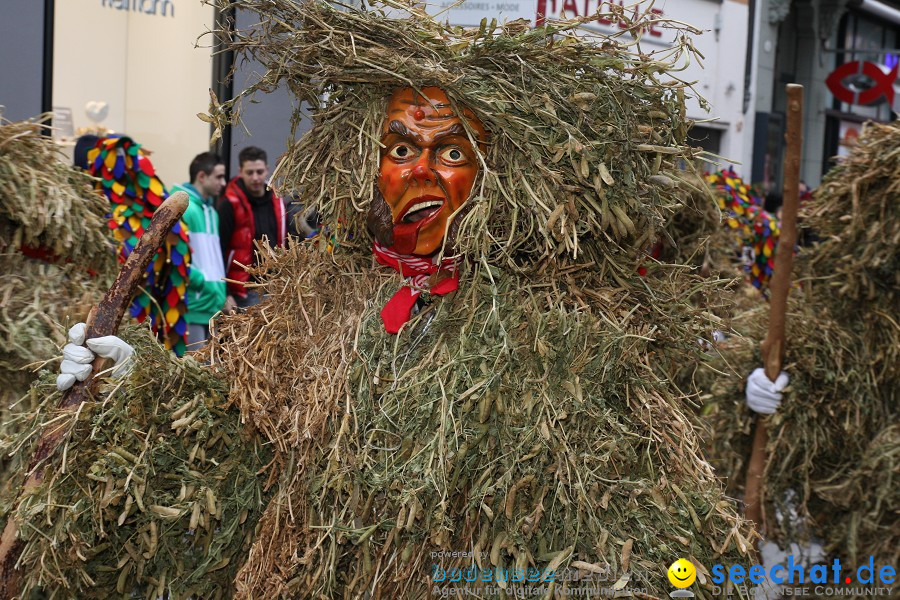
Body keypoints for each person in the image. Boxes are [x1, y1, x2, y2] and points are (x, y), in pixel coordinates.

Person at [217, 146, 286, 310]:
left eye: (259, 172)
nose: (255, 177)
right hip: (243, 291)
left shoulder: (278, 201)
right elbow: (218, 251)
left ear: (267, 170)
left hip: (276, 286)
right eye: (250, 172)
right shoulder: (229, 204)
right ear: (240, 171)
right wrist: (225, 293)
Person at [170, 152, 228, 348]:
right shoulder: (184, 209)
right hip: (193, 304)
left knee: (210, 371)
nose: (224, 182)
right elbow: (173, 254)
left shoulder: (211, 211)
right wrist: (200, 283)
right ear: (202, 176)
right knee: (195, 369)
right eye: (219, 177)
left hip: (212, 304)